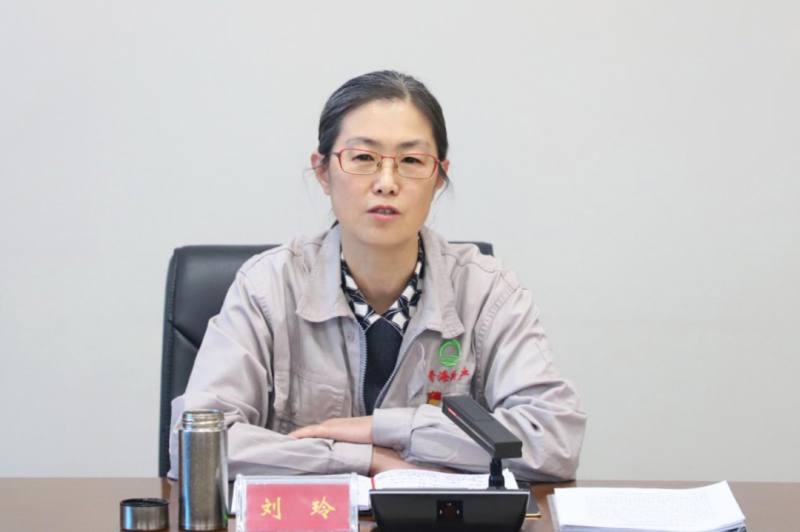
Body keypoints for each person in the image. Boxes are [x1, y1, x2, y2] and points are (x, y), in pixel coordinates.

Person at [168, 71, 586, 482]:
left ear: (439, 177)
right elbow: (195, 447)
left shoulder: (487, 291)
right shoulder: (268, 287)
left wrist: (388, 428)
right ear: (323, 171)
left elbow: (554, 440)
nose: (387, 183)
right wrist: (364, 459)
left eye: (411, 161)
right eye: (364, 158)